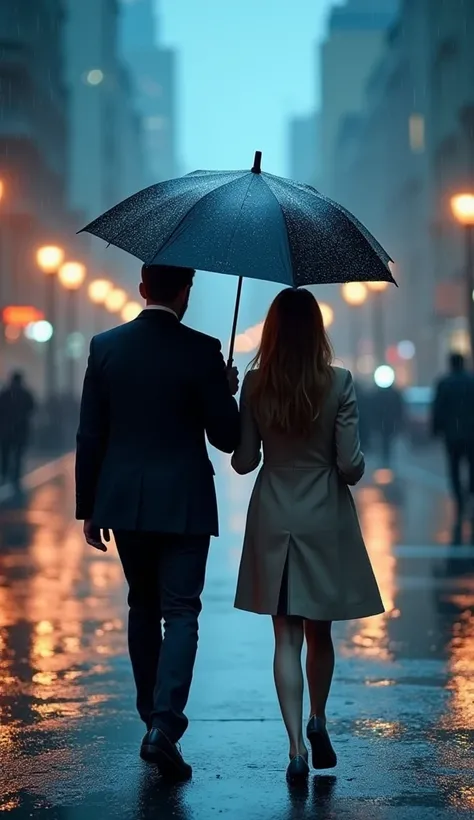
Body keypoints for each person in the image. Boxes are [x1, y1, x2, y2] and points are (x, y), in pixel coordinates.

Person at [75, 264, 240, 782]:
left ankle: (151, 716)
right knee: (182, 611)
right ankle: (164, 726)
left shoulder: (106, 346)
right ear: (186, 292)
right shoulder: (203, 349)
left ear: (142, 288)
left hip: (125, 502)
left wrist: (89, 507)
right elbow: (228, 437)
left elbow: (89, 435)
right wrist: (225, 388)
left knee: (141, 606)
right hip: (185, 500)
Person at [231, 288, 384, 782]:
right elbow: (350, 466)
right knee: (321, 630)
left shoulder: (255, 384)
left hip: (275, 513)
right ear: (317, 330)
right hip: (324, 515)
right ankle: (319, 718)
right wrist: (353, 461)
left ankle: (295, 746)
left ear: (272, 331)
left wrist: (236, 401)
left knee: (285, 635)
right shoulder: (338, 382)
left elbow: (244, 461)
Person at [432, 352, 474, 544]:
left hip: (452, 435)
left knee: (454, 468)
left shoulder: (445, 383)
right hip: (471, 434)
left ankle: (459, 498)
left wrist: (436, 430)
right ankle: (470, 494)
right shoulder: (471, 382)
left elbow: (438, 409)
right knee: (471, 467)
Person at [0, 371, 36, 490]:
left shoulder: (6, 394)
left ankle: (9, 475)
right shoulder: (24, 394)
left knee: (11, 454)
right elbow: (32, 408)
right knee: (13, 454)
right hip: (16, 430)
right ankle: (11, 476)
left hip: (11, 430)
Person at [372, 381, 404, 465]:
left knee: (388, 442)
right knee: (383, 442)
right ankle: (384, 460)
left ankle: (387, 460)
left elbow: (399, 408)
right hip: (382, 422)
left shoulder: (394, 394)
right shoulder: (377, 395)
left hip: (390, 422)